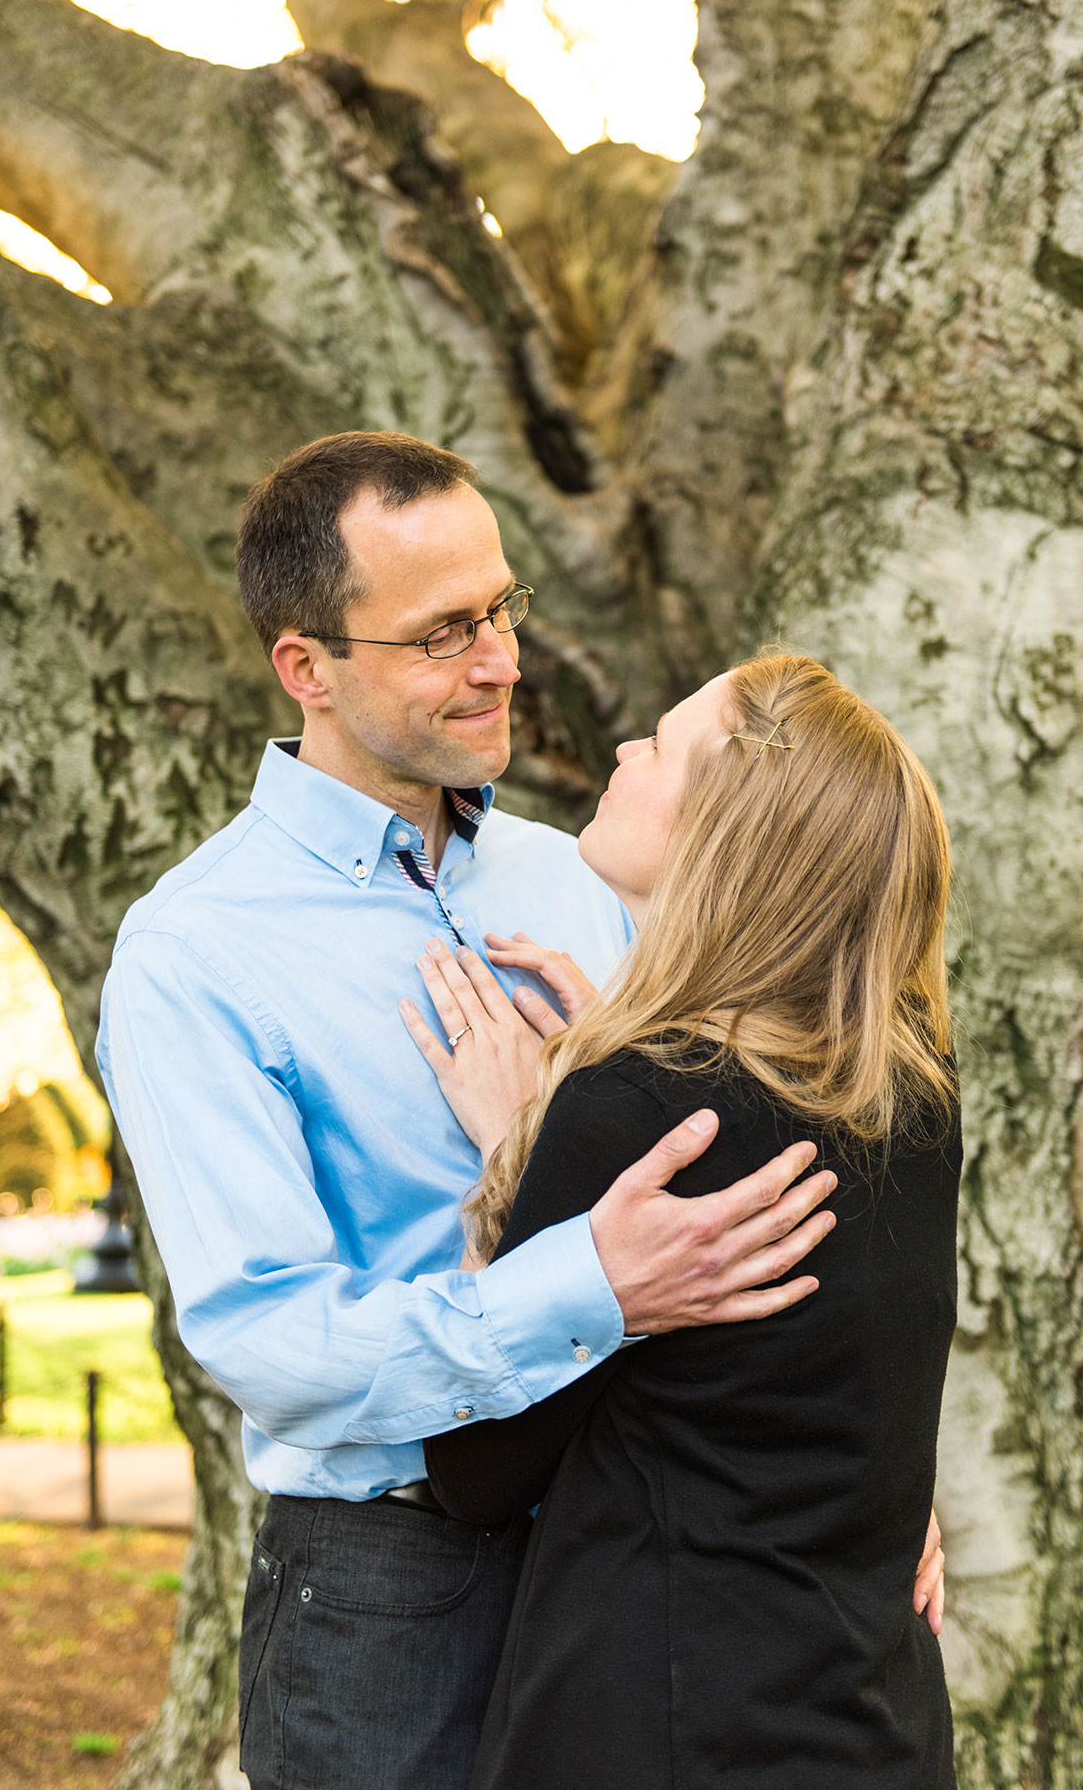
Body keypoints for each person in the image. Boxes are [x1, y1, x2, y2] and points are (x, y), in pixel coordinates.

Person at [97, 433, 904, 1790]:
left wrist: (871, 1493)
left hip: (633, 1555)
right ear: (308, 668)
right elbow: (267, 1335)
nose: (499, 661)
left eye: (500, 610)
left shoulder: (576, 874)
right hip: (394, 1587)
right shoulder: (195, 949)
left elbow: (735, 1164)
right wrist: (580, 1284)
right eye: (440, 634)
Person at [417, 652, 962, 1788]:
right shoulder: (905, 1093)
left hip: (662, 1727)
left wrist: (522, 1143)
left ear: (725, 828)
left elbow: (473, 1472)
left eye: (658, 746)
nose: (620, 750)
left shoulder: (634, 1109)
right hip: (868, 1714)